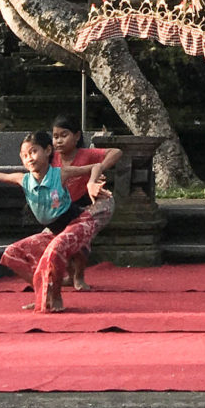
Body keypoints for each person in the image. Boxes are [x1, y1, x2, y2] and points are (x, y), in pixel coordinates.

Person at [0, 128, 110, 313]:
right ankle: (45, 293)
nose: (30, 158)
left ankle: (57, 296)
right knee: (11, 254)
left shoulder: (60, 174)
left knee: (54, 251)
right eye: (25, 155)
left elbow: (96, 166)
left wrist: (91, 183)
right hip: (53, 230)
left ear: (48, 151)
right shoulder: (23, 179)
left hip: (76, 224)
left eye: (34, 151)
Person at [48, 114, 121, 292]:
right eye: (55, 136)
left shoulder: (85, 154)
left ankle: (79, 275)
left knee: (81, 233)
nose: (58, 141)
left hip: (86, 205)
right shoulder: (50, 158)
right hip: (61, 207)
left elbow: (116, 152)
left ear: (77, 136)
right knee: (52, 238)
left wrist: (98, 172)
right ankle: (67, 274)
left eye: (64, 135)